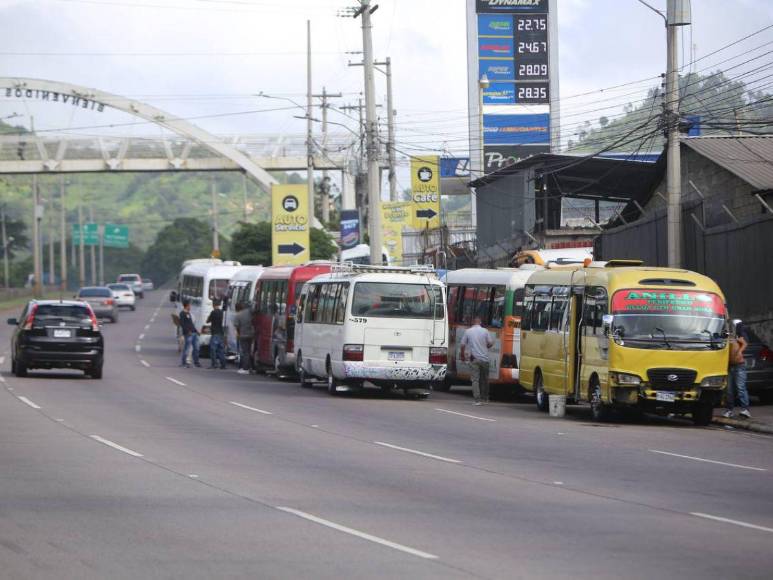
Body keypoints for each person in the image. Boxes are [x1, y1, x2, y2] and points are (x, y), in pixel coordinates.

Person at [460, 315, 494, 405]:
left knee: (475, 380)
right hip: (485, 359)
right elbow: (490, 343)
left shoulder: (468, 331)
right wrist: (485, 347)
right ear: (480, 322)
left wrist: (462, 355)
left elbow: (462, 344)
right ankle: (485, 398)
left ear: (473, 322)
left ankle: (477, 400)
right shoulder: (485, 331)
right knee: (485, 379)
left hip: (474, 359)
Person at [724, 319, 751, 419]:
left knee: (740, 388)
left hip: (739, 365)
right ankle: (729, 410)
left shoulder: (738, 335)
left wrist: (739, 351)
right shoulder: (729, 336)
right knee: (729, 390)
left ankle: (746, 410)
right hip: (730, 366)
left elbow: (745, 343)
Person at [233, 301, 254, 375]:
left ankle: (245, 368)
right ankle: (251, 367)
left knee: (245, 352)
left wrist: (239, 333)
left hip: (243, 335)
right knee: (249, 351)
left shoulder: (238, 315)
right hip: (251, 334)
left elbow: (237, 326)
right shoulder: (249, 312)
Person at [179, 299, 201, 368]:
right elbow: (182, 324)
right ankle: (184, 362)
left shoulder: (189, 313)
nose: (190, 307)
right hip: (188, 334)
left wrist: (196, 331)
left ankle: (196, 362)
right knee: (187, 348)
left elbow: (191, 324)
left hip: (194, 333)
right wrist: (188, 331)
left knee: (196, 348)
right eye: (189, 305)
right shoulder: (182, 313)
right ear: (187, 306)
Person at [207, 299, 227, 370]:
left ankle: (214, 364)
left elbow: (207, 321)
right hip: (221, 333)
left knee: (213, 349)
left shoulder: (213, 312)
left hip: (215, 333)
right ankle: (223, 364)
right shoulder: (222, 312)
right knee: (220, 350)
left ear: (213, 305)